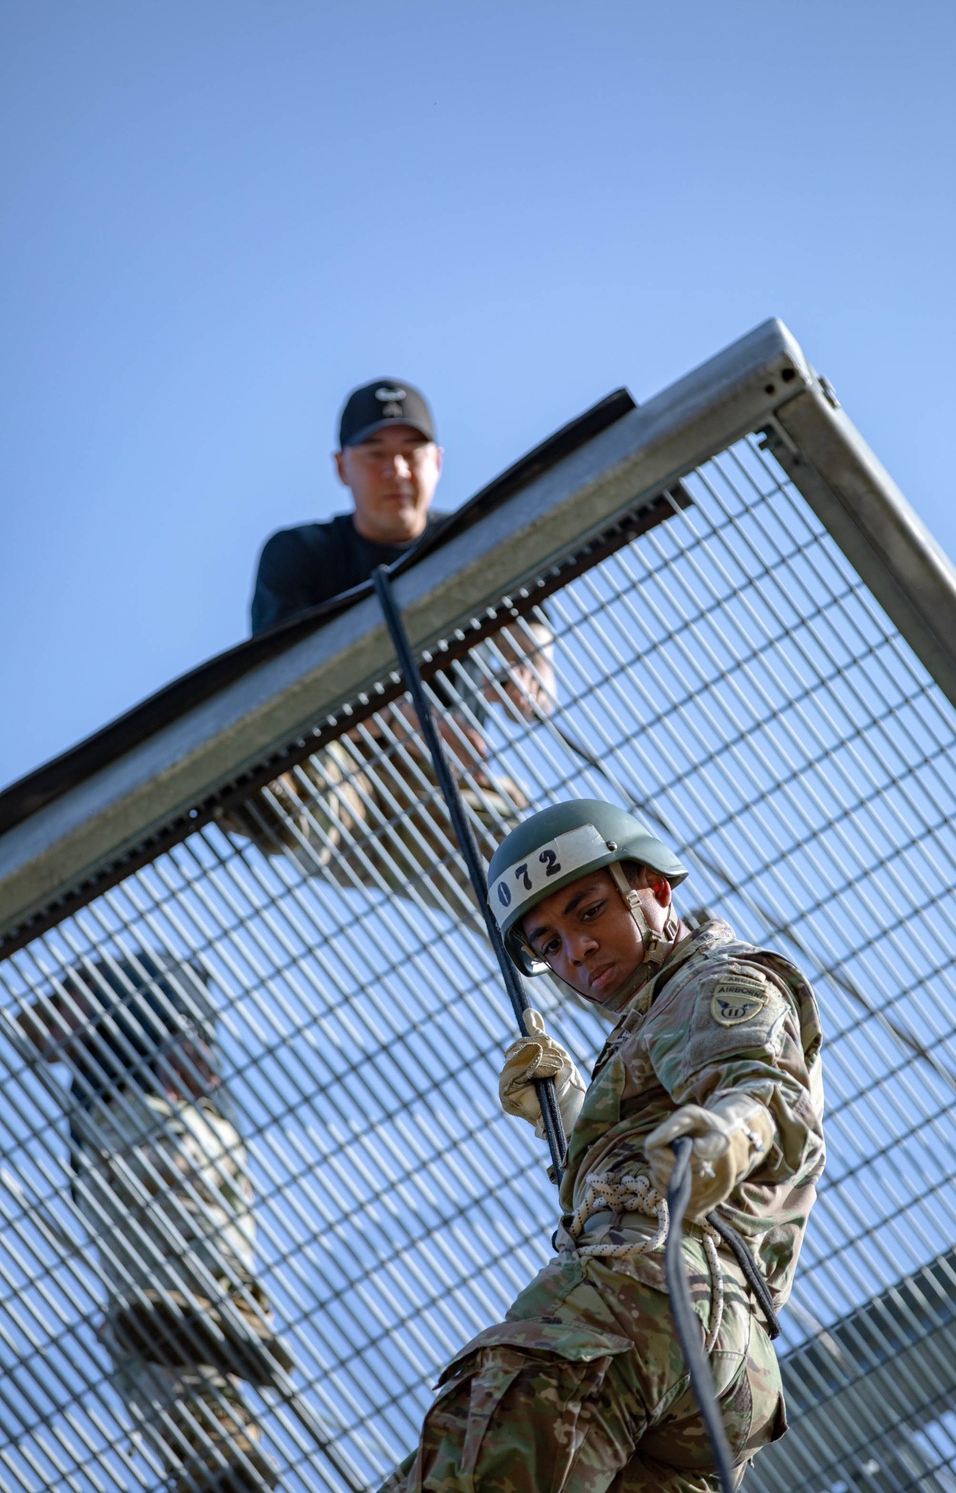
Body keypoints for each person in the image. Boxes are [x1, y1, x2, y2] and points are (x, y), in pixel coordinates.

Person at [381, 799, 826, 1492]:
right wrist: (565, 1112)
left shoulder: (714, 980)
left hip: (646, 1294)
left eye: (588, 912)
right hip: (719, 1373)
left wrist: (724, 1140)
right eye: (549, 945)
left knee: (465, 1471)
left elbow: (762, 1088)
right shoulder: (655, 1020)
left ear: (653, 888)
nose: (575, 952)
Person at [225, 380, 554, 902]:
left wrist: (526, 681)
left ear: (437, 460)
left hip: (451, 789)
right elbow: (285, 687)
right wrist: (418, 724)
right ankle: (266, 798)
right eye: (375, 454)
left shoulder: (475, 542)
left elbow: (533, 654)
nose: (395, 471)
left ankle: (657, 956)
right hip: (344, 767)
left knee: (541, 885)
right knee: (301, 763)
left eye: (410, 453)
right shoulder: (302, 553)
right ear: (341, 467)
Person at [15, 952, 291, 1493]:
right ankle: (219, 1450)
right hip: (196, 1145)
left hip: (142, 1130)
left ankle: (202, 1442)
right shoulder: (180, 1007)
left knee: (159, 1281)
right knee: (164, 1322)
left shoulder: (129, 993)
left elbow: (39, 1041)